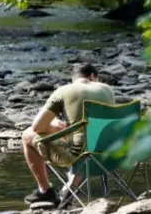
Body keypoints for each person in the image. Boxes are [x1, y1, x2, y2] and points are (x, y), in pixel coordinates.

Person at [21, 63, 116, 204]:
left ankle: (45, 191)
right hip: (112, 153)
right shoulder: (107, 90)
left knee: (27, 135)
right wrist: (66, 127)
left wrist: (53, 126)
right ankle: (70, 189)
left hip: (82, 155)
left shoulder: (64, 90)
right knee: (85, 139)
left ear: (75, 79)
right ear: (93, 77)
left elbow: (37, 128)